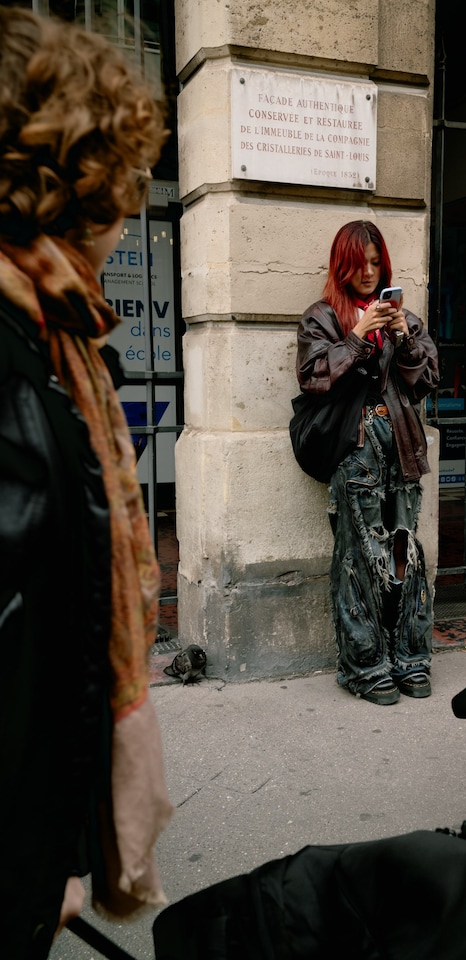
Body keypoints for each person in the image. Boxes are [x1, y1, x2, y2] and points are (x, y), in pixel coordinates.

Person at [0, 9, 174, 957]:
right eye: (117, 186)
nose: (130, 211)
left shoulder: (52, 332)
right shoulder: (18, 349)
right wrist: (32, 863)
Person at [295, 221, 439, 705]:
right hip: (355, 450)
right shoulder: (323, 318)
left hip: (401, 448)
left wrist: (404, 340)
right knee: (357, 560)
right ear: (344, 263)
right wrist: (357, 335)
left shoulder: (403, 318)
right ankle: (363, 665)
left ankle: (411, 657)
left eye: (377, 263)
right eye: (361, 263)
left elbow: (425, 381)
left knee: (404, 553)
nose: (370, 272)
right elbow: (313, 377)